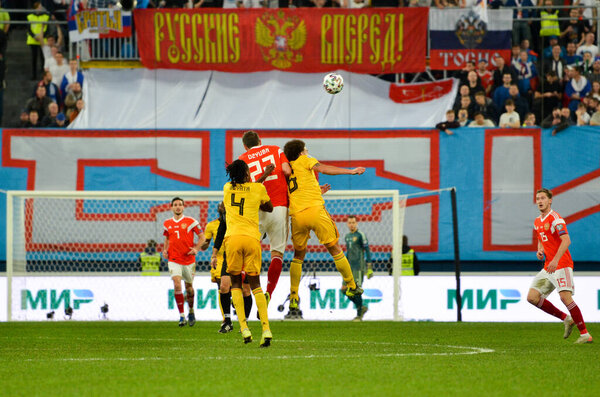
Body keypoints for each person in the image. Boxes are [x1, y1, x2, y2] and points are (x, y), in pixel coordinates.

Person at [283, 139, 365, 319]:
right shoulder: (305, 160)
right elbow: (324, 168)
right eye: (305, 150)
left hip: (297, 216)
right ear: (300, 152)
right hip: (315, 212)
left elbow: (298, 191)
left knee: (298, 256)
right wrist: (350, 171)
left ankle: (294, 296)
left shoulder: (287, 169)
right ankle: (352, 286)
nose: (307, 152)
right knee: (335, 249)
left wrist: (317, 191)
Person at [528, 188, 592, 344]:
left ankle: (585, 334)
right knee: (532, 297)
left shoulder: (556, 219)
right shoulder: (537, 221)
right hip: (549, 266)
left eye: (543, 198)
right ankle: (566, 319)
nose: (540, 201)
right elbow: (541, 237)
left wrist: (555, 260)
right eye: (537, 199)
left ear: (550, 200)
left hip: (561, 263)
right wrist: (540, 249)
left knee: (565, 297)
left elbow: (566, 240)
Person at [222, 159, 274, 346]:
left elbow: (244, 189)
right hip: (252, 238)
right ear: (246, 174)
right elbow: (269, 207)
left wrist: (260, 178)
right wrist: (265, 175)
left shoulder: (227, 188)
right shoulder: (257, 189)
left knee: (235, 282)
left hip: (233, 239)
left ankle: (244, 328)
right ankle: (266, 329)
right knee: (255, 285)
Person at [238, 130, 292, 304]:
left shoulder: (242, 159)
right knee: (277, 253)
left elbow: (242, 186)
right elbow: (286, 170)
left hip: (257, 208)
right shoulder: (275, 150)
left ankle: (240, 286)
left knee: (251, 249)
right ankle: (268, 292)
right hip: (279, 207)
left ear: (245, 146)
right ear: (260, 140)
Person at [162, 197, 206, 327]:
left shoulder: (191, 221)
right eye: (175, 205)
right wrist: (165, 250)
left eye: (180, 205)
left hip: (188, 260)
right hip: (174, 259)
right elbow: (167, 238)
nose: (178, 207)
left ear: (183, 207)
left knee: (189, 289)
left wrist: (196, 249)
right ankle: (181, 316)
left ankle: (191, 311)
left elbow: (202, 237)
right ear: (171, 207)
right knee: (176, 285)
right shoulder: (167, 223)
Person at [344, 215, 372, 322]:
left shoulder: (361, 235)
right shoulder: (347, 236)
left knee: (356, 290)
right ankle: (362, 307)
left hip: (359, 267)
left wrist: (369, 267)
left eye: (353, 222)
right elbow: (349, 253)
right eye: (350, 223)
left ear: (356, 223)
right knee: (344, 290)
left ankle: (359, 315)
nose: (351, 224)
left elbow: (367, 250)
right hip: (349, 268)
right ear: (347, 224)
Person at [27, 2, 50, 80]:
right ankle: (34, 75)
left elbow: (48, 29)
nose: (40, 9)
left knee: (43, 58)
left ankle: (43, 75)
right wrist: (34, 36)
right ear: (35, 8)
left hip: (43, 40)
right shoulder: (30, 16)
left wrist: (42, 36)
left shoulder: (46, 17)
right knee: (34, 58)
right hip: (33, 40)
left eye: (41, 7)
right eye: (38, 7)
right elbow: (28, 29)